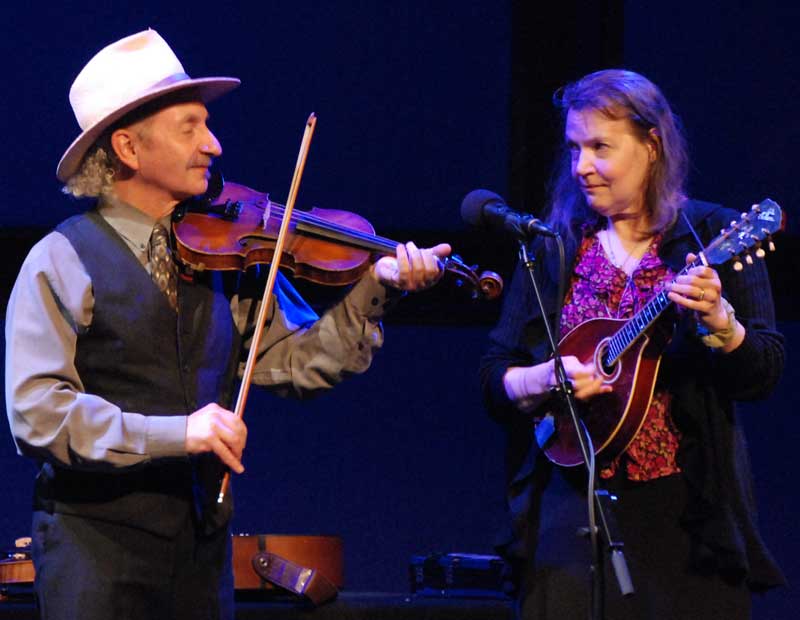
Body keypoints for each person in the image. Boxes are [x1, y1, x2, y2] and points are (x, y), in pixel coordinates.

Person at [5, 30, 451, 620]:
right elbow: (37, 412)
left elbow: (296, 361)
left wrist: (376, 287)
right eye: (189, 128)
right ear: (129, 148)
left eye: (208, 126)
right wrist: (177, 433)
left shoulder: (225, 256)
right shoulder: (61, 259)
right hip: (96, 552)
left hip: (200, 550)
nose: (213, 145)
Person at [479, 69, 784, 619]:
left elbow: (763, 372)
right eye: (574, 148)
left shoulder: (710, 238)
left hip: (686, 518)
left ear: (651, 145)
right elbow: (494, 375)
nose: (581, 166)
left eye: (600, 147)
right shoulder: (554, 246)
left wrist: (721, 322)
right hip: (568, 509)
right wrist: (546, 377)